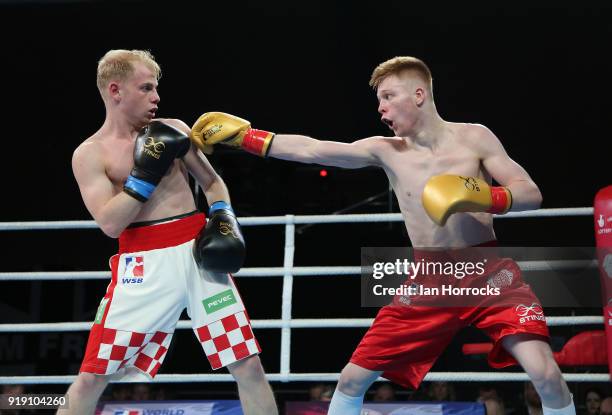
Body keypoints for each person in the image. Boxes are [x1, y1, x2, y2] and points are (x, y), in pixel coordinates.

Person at [190, 56, 575, 415]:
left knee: (545, 373)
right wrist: (247, 137)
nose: (381, 108)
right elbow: (313, 150)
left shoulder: (475, 138)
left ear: (419, 94)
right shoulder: (386, 150)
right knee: (352, 379)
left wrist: (483, 195)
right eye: (380, 100)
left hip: (489, 271)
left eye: (388, 97)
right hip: (429, 278)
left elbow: (530, 194)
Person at [56, 49, 277, 415]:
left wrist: (223, 216)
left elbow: (213, 182)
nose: (156, 97)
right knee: (94, 375)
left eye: (156, 88)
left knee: (247, 364)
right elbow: (110, 224)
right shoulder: (90, 154)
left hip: (197, 255)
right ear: (115, 91)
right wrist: (145, 175)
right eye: (145, 88)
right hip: (142, 265)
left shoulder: (174, 129)